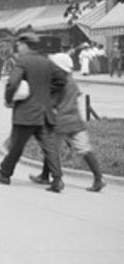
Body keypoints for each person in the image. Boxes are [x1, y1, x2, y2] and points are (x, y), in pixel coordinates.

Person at [0, 31, 66, 192]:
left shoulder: (23, 61)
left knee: (17, 145)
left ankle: (4, 174)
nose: (17, 48)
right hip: (44, 112)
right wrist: (46, 91)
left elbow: (12, 83)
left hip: (26, 112)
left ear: (25, 45)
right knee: (49, 147)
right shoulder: (47, 62)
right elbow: (62, 80)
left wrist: (9, 99)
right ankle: (57, 179)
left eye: (19, 45)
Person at [29, 52, 105, 192]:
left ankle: (53, 179)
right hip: (75, 120)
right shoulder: (72, 81)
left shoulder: (60, 82)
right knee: (84, 149)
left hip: (60, 121)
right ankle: (98, 178)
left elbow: (52, 101)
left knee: (51, 149)